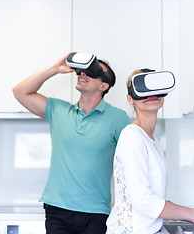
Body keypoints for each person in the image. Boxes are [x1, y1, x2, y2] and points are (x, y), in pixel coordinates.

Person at [13, 53, 131, 234]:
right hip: (57, 209)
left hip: (96, 212)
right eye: (82, 71)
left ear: (104, 85)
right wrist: (54, 69)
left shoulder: (117, 118)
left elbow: (133, 161)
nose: (83, 74)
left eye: (92, 72)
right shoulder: (58, 110)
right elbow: (20, 91)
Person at [106, 69, 194, 234]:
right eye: (142, 88)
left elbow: (155, 198)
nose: (151, 94)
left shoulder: (152, 140)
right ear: (130, 98)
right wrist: (192, 214)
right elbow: (143, 201)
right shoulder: (132, 136)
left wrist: (193, 217)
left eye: (155, 86)